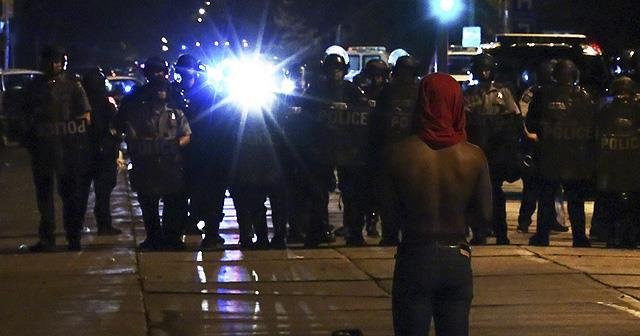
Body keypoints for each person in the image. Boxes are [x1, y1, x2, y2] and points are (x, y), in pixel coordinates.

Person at [380, 73, 491, 336]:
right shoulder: (473, 156)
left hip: (415, 254)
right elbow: (485, 215)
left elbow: (389, 217)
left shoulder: (397, 154)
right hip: (457, 256)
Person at [22, 45, 93, 252]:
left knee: (71, 196)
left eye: (57, 61)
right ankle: (47, 238)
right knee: (44, 197)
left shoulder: (73, 86)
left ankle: (73, 237)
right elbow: (25, 117)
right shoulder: (33, 87)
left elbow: (85, 116)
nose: (54, 65)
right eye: (50, 61)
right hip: (43, 151)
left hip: (69, 151)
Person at [118, 57, 191, 251]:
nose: (160, 77)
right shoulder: (136, 100)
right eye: (155, 72)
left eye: (162, 72)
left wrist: (177, 145)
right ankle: (154, 237)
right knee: (148, 202)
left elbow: (187, 129)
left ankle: (172, 237)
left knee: (174, 201)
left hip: (171, 160)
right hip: (145, 159)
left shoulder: (175, 97)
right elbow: (122, 124)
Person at [526, 59, 594, 247]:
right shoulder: (584, 96)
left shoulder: (542, 95)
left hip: (550, 155)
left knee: (546, 198)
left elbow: (531, 123)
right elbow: (592, 127)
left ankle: (542, 236)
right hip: (575, 157)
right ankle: (579, 237)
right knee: (576, 201)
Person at [463, 53, 521, 245]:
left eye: (488, 69)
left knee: (496, 192)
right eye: (481, 69)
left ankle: (501, 233)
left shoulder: (503, 93)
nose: (485, 73)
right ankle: (479, 232)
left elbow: (513, 118)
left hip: (497, 150)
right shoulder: (468, 92)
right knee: (474, 193)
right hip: (475, 148)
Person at [170, 54, 226, 250]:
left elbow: (219, 122)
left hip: (207, 151)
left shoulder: (208, 94)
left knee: (211, 196)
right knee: (178, 196)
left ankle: (211, 232)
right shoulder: (174, 93)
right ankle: (180, 231)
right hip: (182, 153)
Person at [369, 55, 420, 245]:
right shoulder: (388, 92)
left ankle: (400, 234)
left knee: (405, 198)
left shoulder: (418, 91)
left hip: (408, 151)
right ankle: (391, 234)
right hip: (392, 150)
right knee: (390, 198)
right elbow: (377, 123)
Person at [517, 59, 569, 234]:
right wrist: (529, 135)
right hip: (536, 145)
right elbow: (523, 117)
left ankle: (551, 219)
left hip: (554, 144)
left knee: (553, 186)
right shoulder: (533, 93)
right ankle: (524, 220)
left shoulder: (560, 93)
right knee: (532, 186)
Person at [594, 77, 640, 248]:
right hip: (612, 164)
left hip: (632, 163)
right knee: (610, 202)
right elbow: (596, 131)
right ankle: (610, 234)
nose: (623, 97)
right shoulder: (606, 108)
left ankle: (631, 236)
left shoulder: (636, 108)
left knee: (633, 203)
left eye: (626, 93)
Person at [78, 68, 122, 236]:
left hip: (86, 152)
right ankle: (103, 224)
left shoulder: (82, 103)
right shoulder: (106, 103)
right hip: (102, 153)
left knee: (82, 192)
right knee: (102, 193)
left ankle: (77, 224)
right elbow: (116, 126)